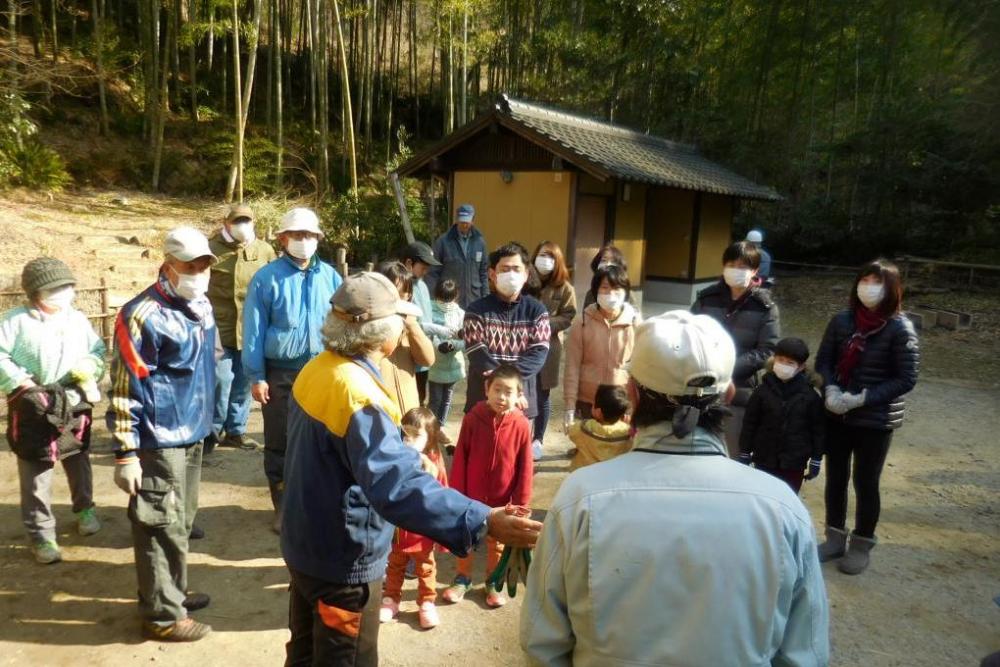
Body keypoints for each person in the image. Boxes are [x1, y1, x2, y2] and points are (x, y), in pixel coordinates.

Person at [520, 311, 830, 666]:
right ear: (728, 394)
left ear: (632, 395)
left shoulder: (582, 497)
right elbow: (805, 653)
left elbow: (542, 643)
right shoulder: (782, 508)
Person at [280, 272, 542, 666]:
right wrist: (482, 518)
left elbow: (331, 456)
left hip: (305, 546)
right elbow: (396, 487)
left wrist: (396, 453)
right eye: (401, 320)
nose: (405, 327)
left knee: (303, 653)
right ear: (380, 332)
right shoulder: (359, 395)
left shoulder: (317, 369)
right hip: (342, 560)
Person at [106, 227, 218, 642]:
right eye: (191, 266)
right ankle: (162, 616)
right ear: (168, 266)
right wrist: (125, 452)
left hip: (192, 432)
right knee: (157, 524)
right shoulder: (142, 315)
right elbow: (123, 385)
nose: (200, 272)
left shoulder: (200, 306)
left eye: (205, 264)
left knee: (181, 522)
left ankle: (174, 593)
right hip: (158, 438)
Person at [815, 259, 919, 575]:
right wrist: (831, 389)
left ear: (891, 289)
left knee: (865, 481)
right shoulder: (842, 321)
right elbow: (824, 361)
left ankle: (861, 544)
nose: (868, 286)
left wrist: (863, 398)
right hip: (837, 416)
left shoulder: (900, 328)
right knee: (835, 477)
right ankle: (834, 538)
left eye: (877, 281)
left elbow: (907, 377)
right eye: (864, 279)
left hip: (875, 420)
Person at [242, 207, 342, 534]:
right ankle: (283, 506)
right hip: (279, 373)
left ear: (318, 239)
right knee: (279, 440)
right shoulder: (266, 277)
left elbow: (341, 323)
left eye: (310, 235)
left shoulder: (330, 276)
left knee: (321, 438)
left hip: (322, 369)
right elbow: (253, 330)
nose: (304, 241)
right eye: (297, 235)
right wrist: (256, 376)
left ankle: (315, 502)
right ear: (283, 239)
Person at [0, 258, 105, 564]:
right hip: (33, 404)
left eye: (66, 287)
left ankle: (85, 508)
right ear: (36, 293)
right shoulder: (14, 322)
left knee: (78, 457)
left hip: (73, 400)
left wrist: (89, 368)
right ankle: (41, 534)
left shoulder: (77, 319)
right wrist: (21, 382)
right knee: (37, 468)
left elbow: (97, 351)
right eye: (54, 288)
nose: (62, 293)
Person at [443, 363, 533, 609]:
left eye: (509, 392)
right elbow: (461, 456)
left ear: (518, 396)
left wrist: (521, 504)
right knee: (466, 538)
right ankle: (463, 578)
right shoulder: (473, 418)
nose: (502, 397)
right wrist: (456, 494)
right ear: (487, 389)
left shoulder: (522, 425)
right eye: (497, 390)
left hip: (503, 499)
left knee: (498, 541)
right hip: (471, 497)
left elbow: (525, 466)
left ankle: (493, 581)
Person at [691, 240, 780, 457]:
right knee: (697, 452)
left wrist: (727, 369)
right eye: (731, 264)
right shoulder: (706, 299)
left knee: (731, 453)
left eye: (743, 267)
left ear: (755, 271)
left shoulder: (765, 307)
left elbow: (767, 350)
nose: (736, 271)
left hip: (740, 392)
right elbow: (689, 334)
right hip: (700, 388)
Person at [206, 203, 276, 451]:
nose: (242, 226)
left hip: (251, 328)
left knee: (245, 382)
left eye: (247, 221)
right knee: (220, 380)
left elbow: (273, 286)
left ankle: (236, 431)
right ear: (226, 223)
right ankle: (211, 433)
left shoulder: (265, 250)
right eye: (237, 221)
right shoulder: (211, 248)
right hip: (219, 328)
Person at [462, 243, 550, 424]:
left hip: (522, 401)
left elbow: (538, 353)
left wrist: (510, 388)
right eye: (505, 269)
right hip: (482, 399)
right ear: (492, 274)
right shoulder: (475, 311)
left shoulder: (537, 311)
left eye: (516, 269)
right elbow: (477, 353)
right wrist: (505, 386)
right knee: (480, 451)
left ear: (526, 275)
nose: (511, 274)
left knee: (517, 452)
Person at [379, 407, 449, 630]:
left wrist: (441, 532)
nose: (408, 440)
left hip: (423, 532)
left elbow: (442, 497)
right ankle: (391, 599)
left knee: (426, 568)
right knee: (394, 566)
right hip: (398, 531)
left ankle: (427, 602)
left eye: (416, 435)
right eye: (405, 433)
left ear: (430, 438)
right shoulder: (395, 459)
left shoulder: (434, 463)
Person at [739, 337, 825, 493]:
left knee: (788, 498)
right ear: (774, 360)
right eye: (781, 360)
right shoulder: (761, 392)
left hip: (794, 462)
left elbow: (818, 430)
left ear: (801, 367)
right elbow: (750, 423)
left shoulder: (810, 396)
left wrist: (816, 459)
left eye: (790, 363)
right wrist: (745, 451)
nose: (784, 365)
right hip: (764, 458)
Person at [563, 265, 639, 423]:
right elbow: (572, 366)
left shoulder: (635, 323)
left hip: (620, 403)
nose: (611, 293)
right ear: (596, 290)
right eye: (605, 288)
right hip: (588, 402)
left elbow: (640, 370)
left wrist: (633, 405)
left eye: (617, 288)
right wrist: (570, 406)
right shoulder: (582, 321)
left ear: (625, 292)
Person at [530, 241, 577, 460]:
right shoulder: (526, 281)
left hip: (550, 346)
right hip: (523, 344)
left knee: (542, 394)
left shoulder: (565, 288)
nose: (544, 259)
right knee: (520, 390)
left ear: (557, 260)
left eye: (550, 256)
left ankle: (537, 439)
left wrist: (544, 323)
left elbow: (568, 316)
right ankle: (519, 437)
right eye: (541, 255)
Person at [376, 260, 436, 414]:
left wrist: (412, 326)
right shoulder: (366, 328)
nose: (405, 297)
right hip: (381, 414)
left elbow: (427, 359)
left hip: (408, 415)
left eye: (407, 293)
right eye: (397, 293)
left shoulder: (410, 324)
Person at [398, 241, 446, 404]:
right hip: (406, 354)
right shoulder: (401, 286)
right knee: (407, 399)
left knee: (420, 397)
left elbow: (427, 315)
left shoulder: (423, 286)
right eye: (423, 266)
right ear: (409, 263)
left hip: (424, 354)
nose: (427, 270)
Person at [428, 203, 489, 308]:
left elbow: (483, 273)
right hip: (449, 299)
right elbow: (433, 272)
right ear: (457, 219)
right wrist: (432, 298)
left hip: (474, 299)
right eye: (462, 221)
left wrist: (486, 297)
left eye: (467, 221)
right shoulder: (443, 242)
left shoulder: (480, 242)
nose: (465, 224)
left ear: (472, 220)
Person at [426, 279, 465, 432]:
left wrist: (453, 346)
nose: (445, 302)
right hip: (435, 363)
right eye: (443, 298)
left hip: (454, 364)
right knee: (435, 398)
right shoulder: (429, 309)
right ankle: (430, 427)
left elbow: (466, 341)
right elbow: (427, 333)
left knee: (447, 398)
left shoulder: (461, 314)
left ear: (455, 296)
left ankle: (440, 426)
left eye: (449, 298)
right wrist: (438, 345)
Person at [567, 384, 632, 471]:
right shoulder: (627, 432)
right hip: (612, 475)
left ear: (598, 412)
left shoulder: (585, 427)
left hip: (583, 473)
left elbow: (572, 433)